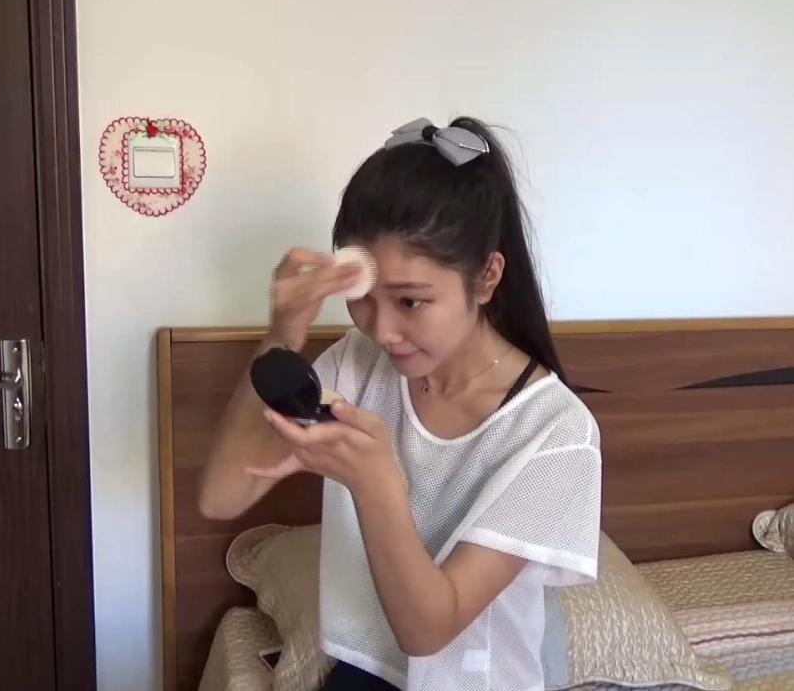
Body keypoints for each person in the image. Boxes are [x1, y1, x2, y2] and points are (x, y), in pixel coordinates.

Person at [199, 116, 603, 691]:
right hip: (361, 673)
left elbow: (428, 631)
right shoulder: (359, 363)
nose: (383, 331)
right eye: (362, 298)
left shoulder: (556, 431)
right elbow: (221, 497)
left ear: (486, 277)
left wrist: (375, 484)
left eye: (411, 301)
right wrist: (284, 329)